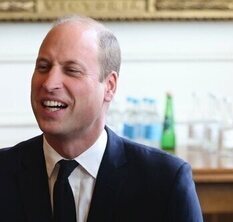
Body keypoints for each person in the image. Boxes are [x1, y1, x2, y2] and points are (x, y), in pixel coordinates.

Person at [0, 15, 203, 222]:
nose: (49, 83)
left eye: (72, 70)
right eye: (43, 67)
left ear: (109, 86)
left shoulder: (165, 181)